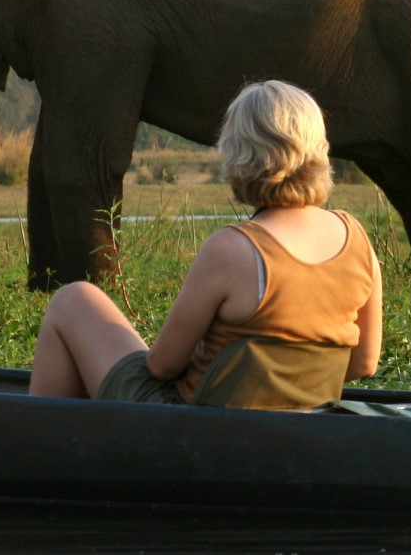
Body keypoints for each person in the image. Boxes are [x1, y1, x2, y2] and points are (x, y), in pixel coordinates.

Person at [27, 80, 382, 404]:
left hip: (192, 428)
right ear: (318, 148)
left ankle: (44, 450)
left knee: (73, 299)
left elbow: (163, 367)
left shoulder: (232, 249)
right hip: (299, 425)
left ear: (239, 153)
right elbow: (365, 361)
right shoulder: (357, 239)